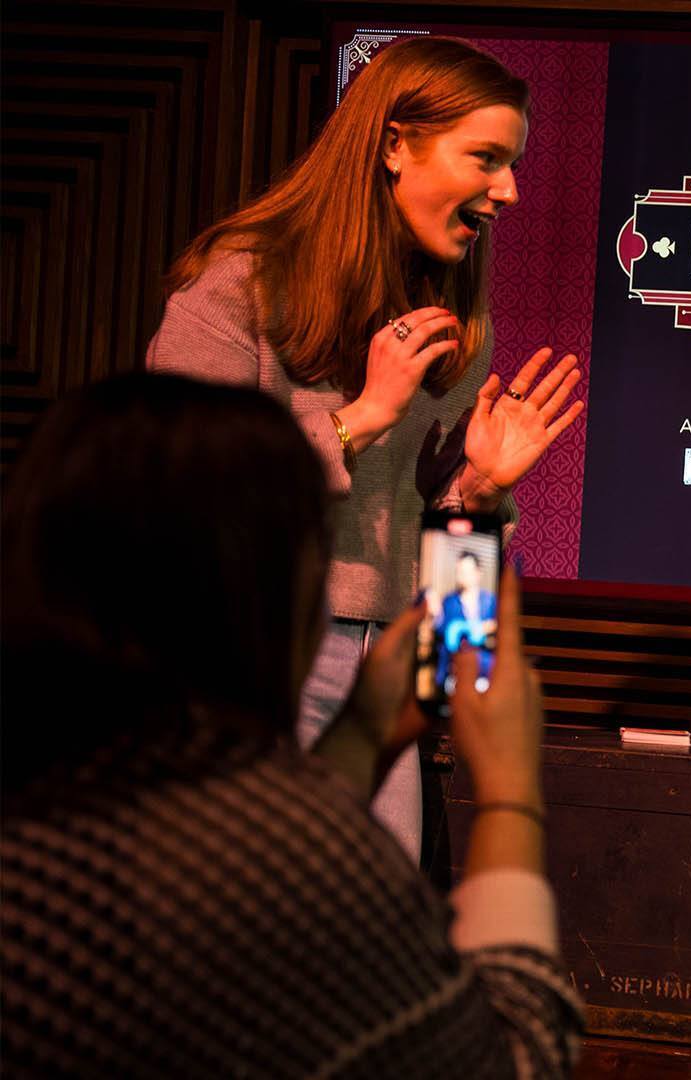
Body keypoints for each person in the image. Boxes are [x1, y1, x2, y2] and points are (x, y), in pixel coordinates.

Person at [0, 374, 579, 1077]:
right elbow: (515, 1058)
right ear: (272, 600)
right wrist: (511, 795)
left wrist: (363, 737)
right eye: (316, 549)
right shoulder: (258, 871)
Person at [145, 35, 583, 859]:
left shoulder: (455, 330)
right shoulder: (239, 286)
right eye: (486, 158)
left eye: (513, 164)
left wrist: (481, 496)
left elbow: (455, 631)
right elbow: (174, 496)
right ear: (393, 146)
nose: (510, 190)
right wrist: (360, 419)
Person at [435, 550, 500, 693]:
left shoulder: (490, 600)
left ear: (478, 573)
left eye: (467, 571)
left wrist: (489, 628)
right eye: (460, 572)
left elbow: (500, 630)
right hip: (455, 669)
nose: (463, 576)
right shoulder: (449, 601)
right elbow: (442, 634)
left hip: (484, 670)